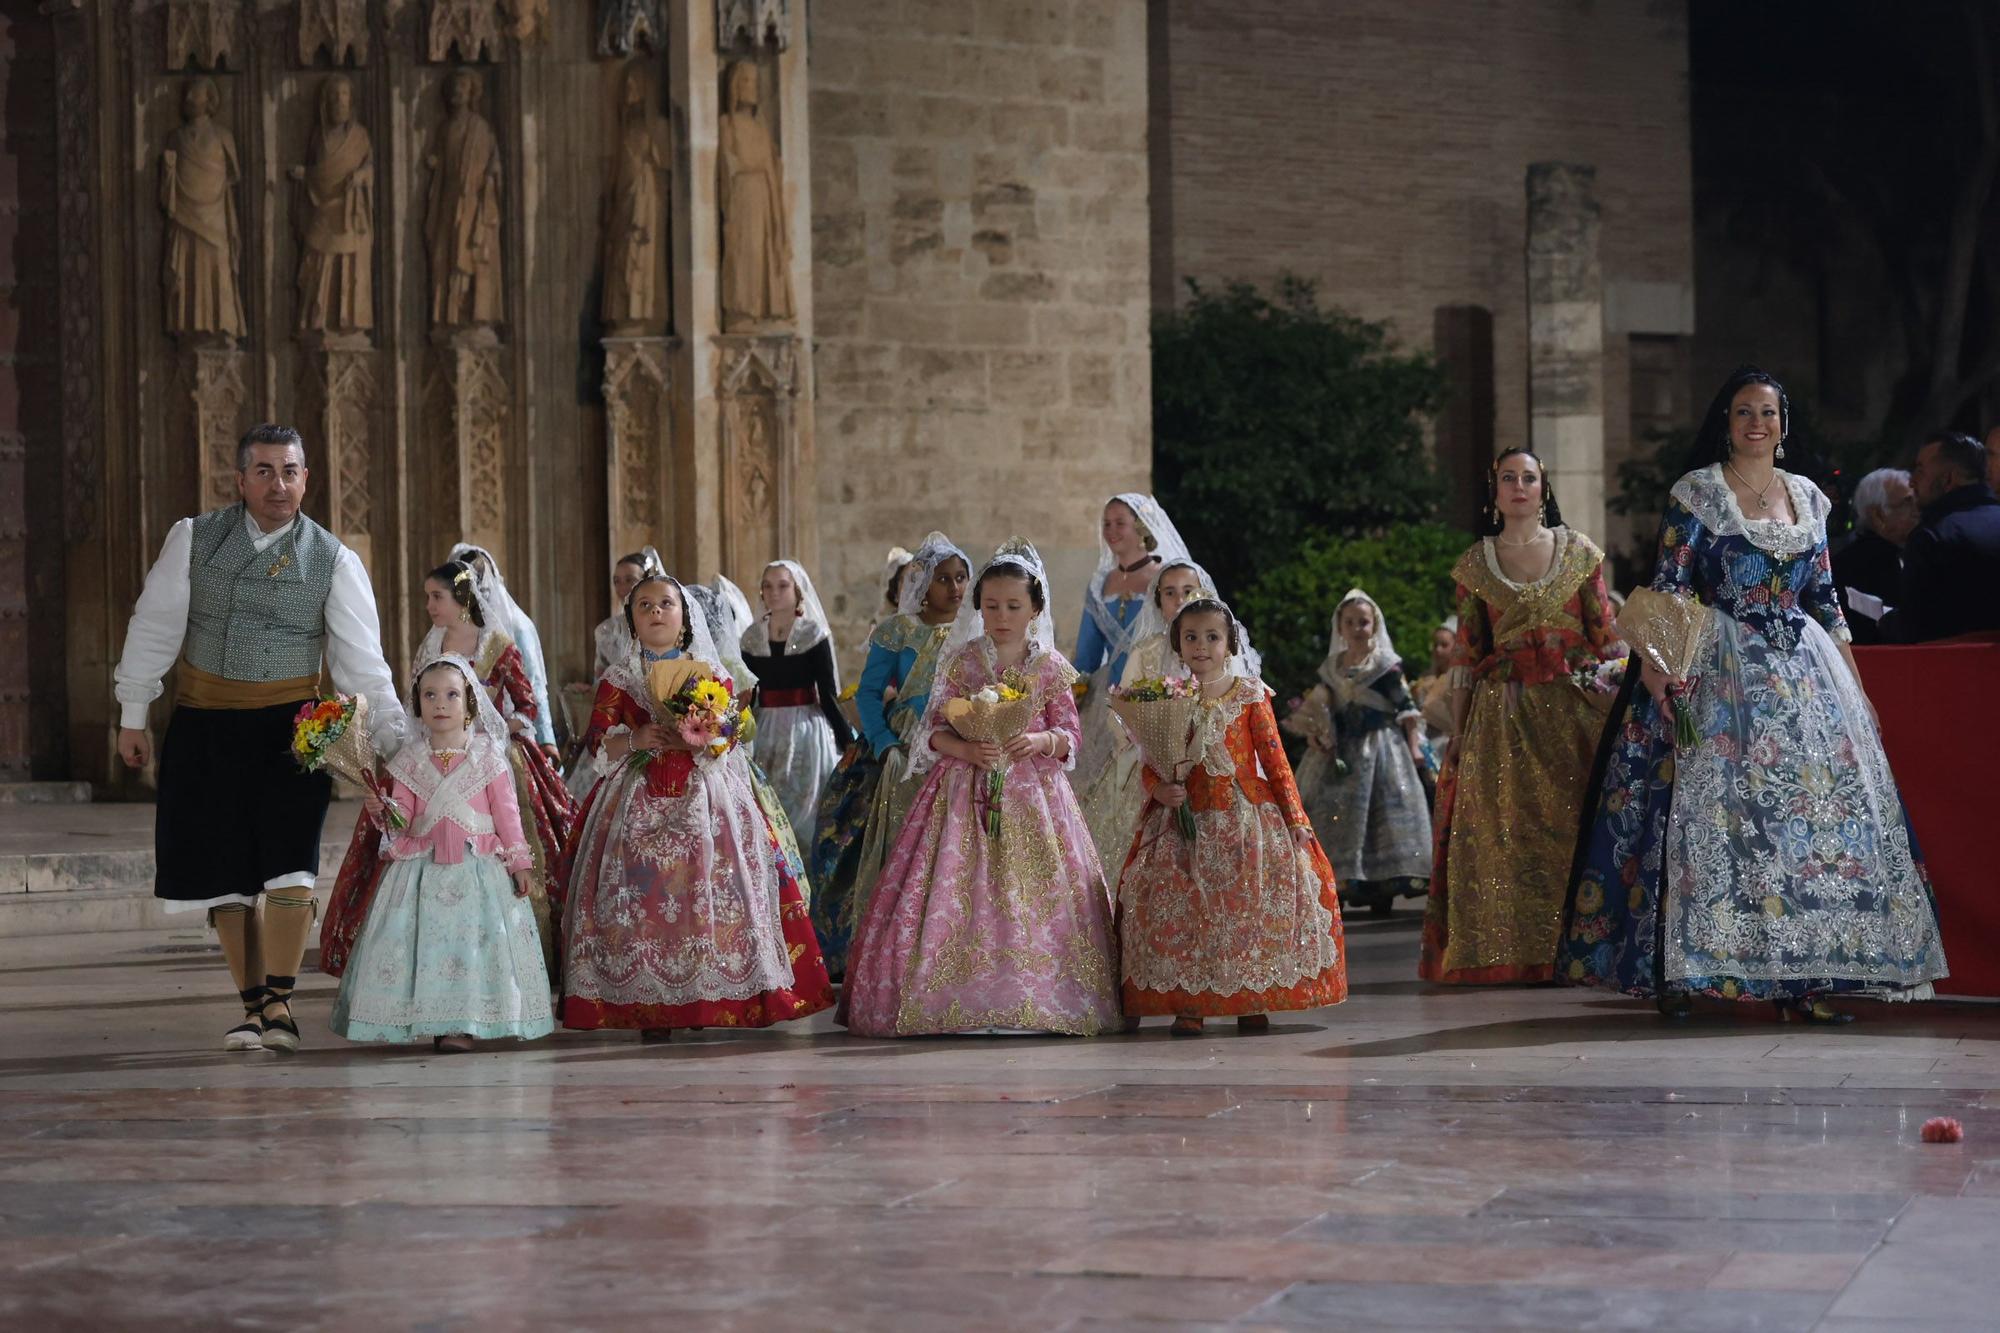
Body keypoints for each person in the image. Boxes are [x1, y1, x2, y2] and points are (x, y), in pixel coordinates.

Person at [1560, 367, 1948, 1022]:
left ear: (1783, 425)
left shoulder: (1810, 499)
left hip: (1804, 672)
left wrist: (1856, 689)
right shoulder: (1699, 493)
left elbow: (1825, 600)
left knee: (1809, 824)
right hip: (1719, 663)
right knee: (1708, 818)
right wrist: (1660, 673)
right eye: (1744, 411)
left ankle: (1806, 978)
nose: (1756, 423)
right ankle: (1684, 971)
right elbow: (1670, 588)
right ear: (1726, 421)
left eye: (1768, 413)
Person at [113, 423, 411, 1052]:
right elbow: (154, 627)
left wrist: (391, 741)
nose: (280, 484)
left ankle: (279, 1006)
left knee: (289, 868)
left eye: (292, 471)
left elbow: (363, 660)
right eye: (266, 471)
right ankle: (252, 1009)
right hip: (204, 725)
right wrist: (133, 714)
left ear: (307, 478)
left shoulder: (334, 558)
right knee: (221, 874)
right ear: (241, 480)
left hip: (293, 732)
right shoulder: (192, 538)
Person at [843, 540, 1121, 1037]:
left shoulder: (1050, 666)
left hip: (1033, 795)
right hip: (961, 790)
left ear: (1035, 608)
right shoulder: (962, 661)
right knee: (957, 888)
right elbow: (931, 730)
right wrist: (965, 749)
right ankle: (951, 992)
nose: (1002, 615)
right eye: (991, 605)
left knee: (1029, 893)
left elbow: (1070, 736)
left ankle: (1032, 993)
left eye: (1014, 606)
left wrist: (1039, 738)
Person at [554, 573, 832, 1040]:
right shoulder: (620, 678)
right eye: (644, 605)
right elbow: (597, 741)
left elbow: (733, 731)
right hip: (637, 797)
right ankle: (649, 1004)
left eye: (666, 604)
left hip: (706, 795)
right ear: (632, 620)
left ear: (685, 617)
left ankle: (708, 995)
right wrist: (635, 737)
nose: (656, 612)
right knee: (641, 894)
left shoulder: (709, 671)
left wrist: (708, 733)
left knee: (710, 887)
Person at [1418, 449, 1624, 984]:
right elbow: (1466, 655)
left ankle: (1587, 948)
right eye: (1508, 478)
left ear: (1543, 488)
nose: (1518, 486)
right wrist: (1459, 734)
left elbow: (1606, 638)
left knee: (1576, 826)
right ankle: (1518, 951)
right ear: (1495, 491)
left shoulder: (1579, 553)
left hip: (1575, 713)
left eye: (1528, 478)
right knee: (1509, 831)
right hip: (1503, 716)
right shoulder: (1475, 564)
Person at [320, 560, 575, 979]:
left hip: (491, 755)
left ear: (462, 599)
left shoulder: (497, 645)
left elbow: (527, 705)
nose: (429, 606)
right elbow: (415, 699)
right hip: (434, 752)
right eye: (427, 597)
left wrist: (494, 727)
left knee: (514, 830)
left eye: (436, 596)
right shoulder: (432, 643)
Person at [1118, 596, 1346, 1036]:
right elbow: (1151, 761)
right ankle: (1190, 1004)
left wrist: (1297, 819)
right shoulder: (1168, 696)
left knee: (1244, 907)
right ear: (1178, 645)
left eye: (1212, 637)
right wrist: (1159, 788)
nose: (1201, 646)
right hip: (1184, 820)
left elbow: (1276, 761)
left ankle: (1250, 995)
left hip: (1244, 820)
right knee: (1185, 907)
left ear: (1230, 644)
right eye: (1190, 637)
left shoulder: (1249, 695)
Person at [329, 654, 554, 1052]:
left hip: (479, 872)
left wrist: (520, 864)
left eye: (452, 694)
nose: (440, 703)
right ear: (417, 704)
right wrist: (386, 810)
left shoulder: (488, 757)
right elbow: (404, 817)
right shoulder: (409, 761)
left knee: (473, 944)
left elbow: (508, 815)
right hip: (423, 873)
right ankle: (430, 1017)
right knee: (428, 945)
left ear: (469, 703)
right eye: (430, 695)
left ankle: (465, 1022)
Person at [807, 533, 969, 980]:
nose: (954, 588)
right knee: (901, 843)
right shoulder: (897, 631)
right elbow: (872, 693)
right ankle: (894, 952)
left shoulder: (973, 629)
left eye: (960, 578)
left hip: (960, 741)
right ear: (922, 582)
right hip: (904, 749)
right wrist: (884, 744)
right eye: (943, 579)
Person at [1292, 590, 1433, 916]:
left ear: (1375, 625)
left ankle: (1381, 883)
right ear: (1339, 627)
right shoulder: (1331, 668)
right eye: (1350, 622)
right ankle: (1338, 880)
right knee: (1335, 812)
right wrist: (1316, 730)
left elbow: (1406, 708)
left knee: (1379, 812)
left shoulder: (1385, 666)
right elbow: (1322, 707)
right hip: (1342, 751)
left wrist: (1414, 747)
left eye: (1364, 622)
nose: (1357, 628)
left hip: (1381, 748)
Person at [1073, 494, 1191, 868]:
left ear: (1141, 526)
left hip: (1159, 687)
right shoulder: (1100, 583)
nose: (1111, 531)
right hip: (1108, 694)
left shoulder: (1166, 575)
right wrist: (1076, 686)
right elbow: (1088, 652)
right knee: (1101, 784)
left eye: (1119, 522)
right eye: (1105, 523)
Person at [741, 559, 853, 840]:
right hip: (764, 729)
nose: (774, 592)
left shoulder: (812, 634)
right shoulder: (751, 638)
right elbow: (749, 693)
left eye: (782, 585)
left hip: (806, 730)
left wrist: (847, 739)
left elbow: (827, 691)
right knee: (766, 805)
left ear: (797, 591)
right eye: (767, 586)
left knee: (806, 811)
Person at [450, 543, 560, 763]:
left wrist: (547, 739)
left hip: (503, 737)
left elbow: (534, 685)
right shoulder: (444, 633)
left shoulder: (516, 626)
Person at [1890, 432, 2000, 643]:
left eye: (1920, 470)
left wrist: (1888, 623)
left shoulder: (1932, 538)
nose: (1912, 481)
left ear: (1948, 479)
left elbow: (1913, 627)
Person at [1830, 468, 1918, 644]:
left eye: (1918, 502)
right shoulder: (1854, 564)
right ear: (1878, 515)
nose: (1918, 511)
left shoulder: (1912, 552)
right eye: (1908, 503)